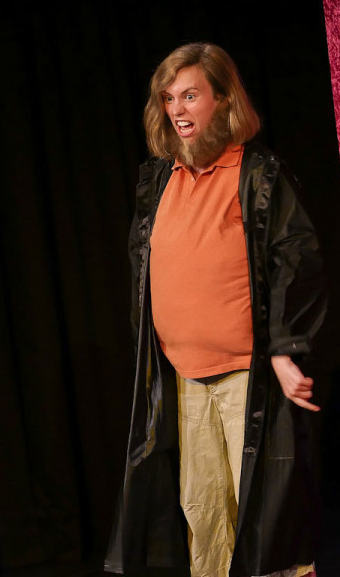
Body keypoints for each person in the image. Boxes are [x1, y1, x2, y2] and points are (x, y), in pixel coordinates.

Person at [105, 42, 326, 577]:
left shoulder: (258, 174)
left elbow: (296, 260)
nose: (177, 110)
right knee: (202, 513)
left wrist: (284, 348)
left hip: (248, 377)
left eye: (190, 96)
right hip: (182, 377)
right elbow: (144, 269)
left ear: (223, 99)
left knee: (265, 517)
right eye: (168, 99)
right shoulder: (159, 178)